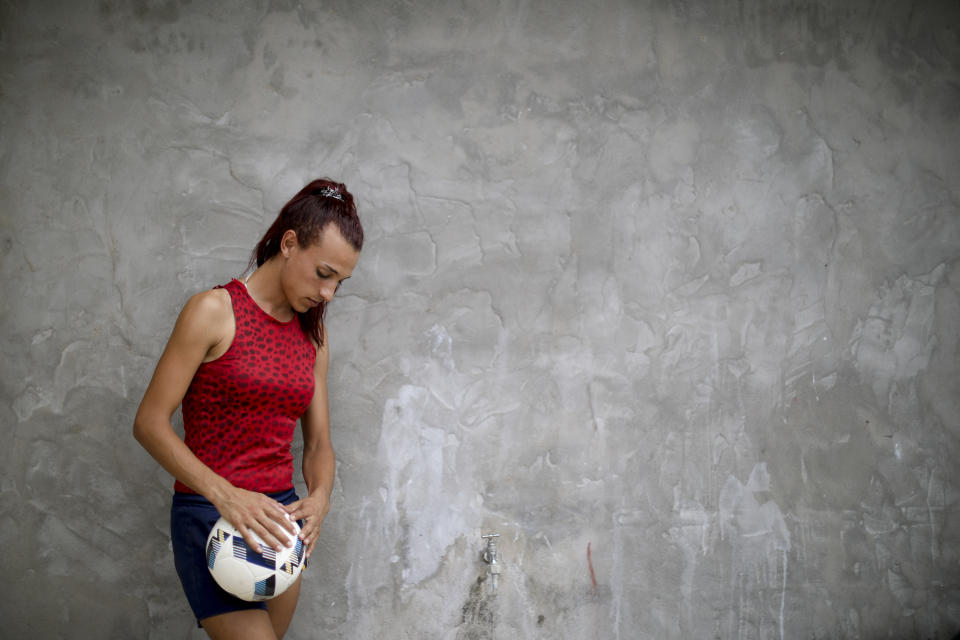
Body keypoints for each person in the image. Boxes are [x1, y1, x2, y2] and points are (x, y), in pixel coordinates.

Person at [133, 178, 363, 639]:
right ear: (290, 243)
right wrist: (226, 495)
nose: (329, 295)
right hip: (210, 516)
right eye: (323, 273)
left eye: (340, 282)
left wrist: (319, 499)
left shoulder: (313, 341)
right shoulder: (213, 311)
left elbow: (318, 444)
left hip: (279, 526)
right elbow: (149, 424)